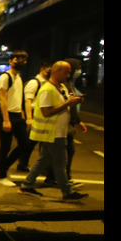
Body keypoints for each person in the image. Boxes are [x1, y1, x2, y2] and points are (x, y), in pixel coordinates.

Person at [18, 61, 87, 201]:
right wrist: (68, 103)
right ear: (55, 71)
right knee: (61, 162)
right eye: (66, 72)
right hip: (52, 133)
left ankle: (27, 185)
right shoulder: (46, 90)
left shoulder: (60, 87)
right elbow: (46, 112)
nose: (69, 75)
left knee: (44, 160)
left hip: (58, 131)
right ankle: (67, 193)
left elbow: (61, 105)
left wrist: (73, 102)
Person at [0, 50, 32, 186]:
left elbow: (18, 98)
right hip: (7, 114)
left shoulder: (19, 77)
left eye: (23, 60)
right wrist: (6, 119)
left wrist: (23, 114)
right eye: (17, 60)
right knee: (5, 146)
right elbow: (2, 98)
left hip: (17, 115)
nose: (20, 62)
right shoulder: (5, 77)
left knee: (25, 144)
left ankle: (3, 167)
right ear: (10, 61)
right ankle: (2, 176)